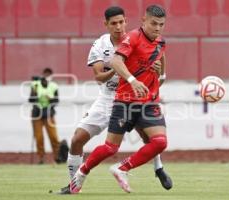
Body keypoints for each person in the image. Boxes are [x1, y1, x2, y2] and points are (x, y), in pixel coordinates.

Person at [59, 6, 171, 194]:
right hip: (109, 98)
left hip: (137, 97)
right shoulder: (103, 45)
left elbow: (158, 58)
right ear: (106, 25)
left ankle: (158, 168)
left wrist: (160, 74)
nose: (118, 27)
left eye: (121, 22)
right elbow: (99, 76)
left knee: (152, 138)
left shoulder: (149, 39)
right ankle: (74, 182)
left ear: (127, 21)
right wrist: (122, 72)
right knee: (79, 139)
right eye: (114, 23)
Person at [29, 68, 61, 164]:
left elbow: (56, 101)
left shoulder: (54, 86)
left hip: (49, 114)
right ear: (42, 75)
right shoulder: (35, 85)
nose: (46, 76)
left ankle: (57, 156)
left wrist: (50, 99)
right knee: (39, 137)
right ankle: (41, 158)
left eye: (49, 75)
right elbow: (31, 99)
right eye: (45, 74)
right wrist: (34, 90)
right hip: (37, 114)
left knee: (53, 136)